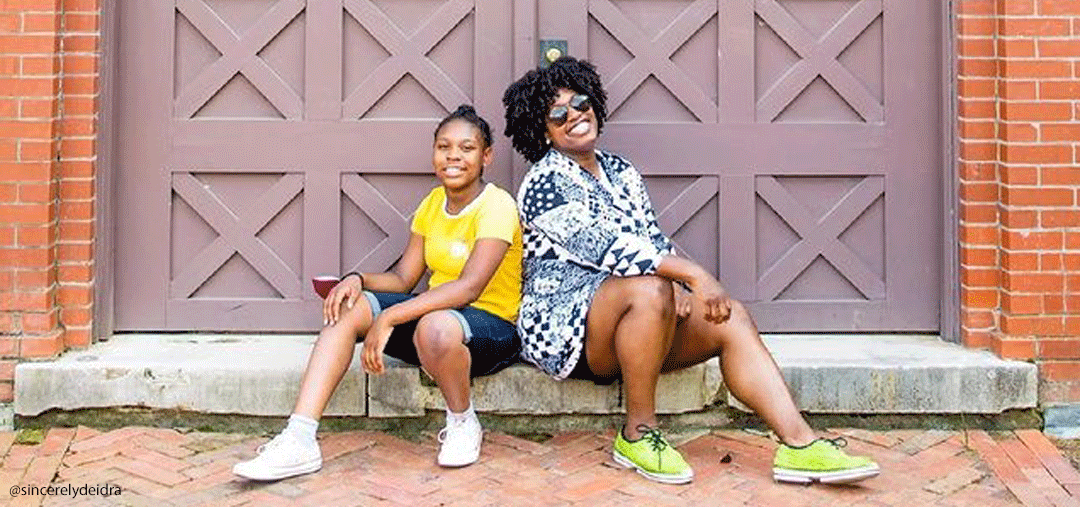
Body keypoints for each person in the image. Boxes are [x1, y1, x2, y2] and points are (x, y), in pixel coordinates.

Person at [502, 57, 879, 486]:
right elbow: (604, 248)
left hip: (633, 313)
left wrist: (679, 283)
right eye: (557, 113)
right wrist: (691, 275)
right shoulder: (543, 182)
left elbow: (650, 238)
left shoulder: (620, 171)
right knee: (647, 291)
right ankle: (639, 434)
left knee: (729, 315)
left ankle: (800, 445)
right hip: (567, 329)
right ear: (542, 130)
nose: (574, 114)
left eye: (581, 102)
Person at [234, 105, 523, 480]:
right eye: (443, 146)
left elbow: (469, 287)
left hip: (491, 329)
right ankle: (299, 438)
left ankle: (463, 422)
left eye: (466, 148)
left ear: (486, 157)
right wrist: (357, 279)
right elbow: (404, 278)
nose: (453, 156)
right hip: (434, 325)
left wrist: (392, 316)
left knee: (434, 326)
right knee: (349, 306)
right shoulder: (433, 204)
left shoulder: (497, 205)